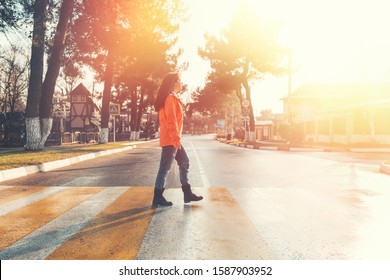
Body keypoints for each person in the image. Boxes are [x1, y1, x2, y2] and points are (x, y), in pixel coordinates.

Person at [152, 72, 203, 207]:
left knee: (184, 162)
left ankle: (187, 194)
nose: (181, 83)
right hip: (171, 139)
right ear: (173, 83)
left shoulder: (172, 98)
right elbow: (171, 121)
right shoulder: (170, 99)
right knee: (164, 168)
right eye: (179, 80)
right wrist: (175, 139)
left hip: (173, 139)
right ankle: (157, 196)